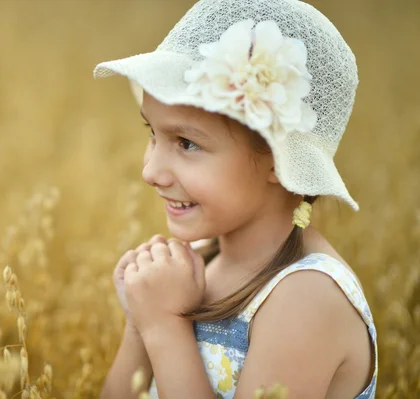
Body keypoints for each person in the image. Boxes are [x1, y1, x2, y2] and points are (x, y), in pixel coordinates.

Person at [93, 0, 378, 398]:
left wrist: (162, 326)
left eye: (187, 143)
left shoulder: (306, 299)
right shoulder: (200, 259)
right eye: (152, 134)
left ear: (279, 161)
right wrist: (138, 321)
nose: (150, 172)